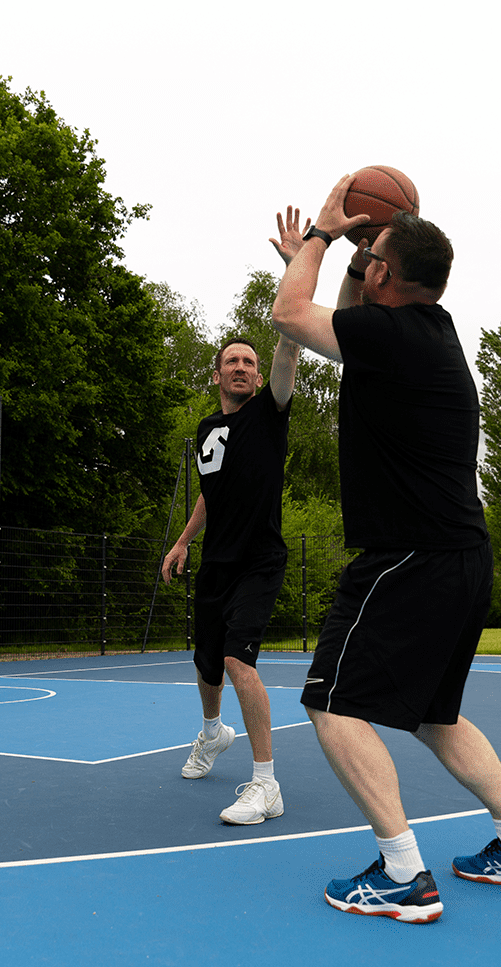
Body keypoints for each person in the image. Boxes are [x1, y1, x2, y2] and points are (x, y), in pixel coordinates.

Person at [269, 177, 501, 923]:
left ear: (384, 276)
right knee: (435, 715)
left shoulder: (394, 336)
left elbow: (290, 314)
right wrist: (353, 252)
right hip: (461, 556)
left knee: (330, 701)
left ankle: (402, 872)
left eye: (373, 255)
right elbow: (343, 317)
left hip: (410, 555)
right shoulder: (426, 330)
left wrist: (320, 236)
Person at [159, 211, 309, 825]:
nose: (244, 367)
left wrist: (294, 267)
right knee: (206, 665)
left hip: (258, 559)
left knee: (240, 661)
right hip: (215, 561)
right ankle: (212, 732)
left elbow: (290, 343)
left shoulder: (269, 413)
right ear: (218, 374)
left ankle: (266, 782)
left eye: (250, 360)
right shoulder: (207, 429)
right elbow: (208, 492)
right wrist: (183, 541)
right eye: (234, 362)